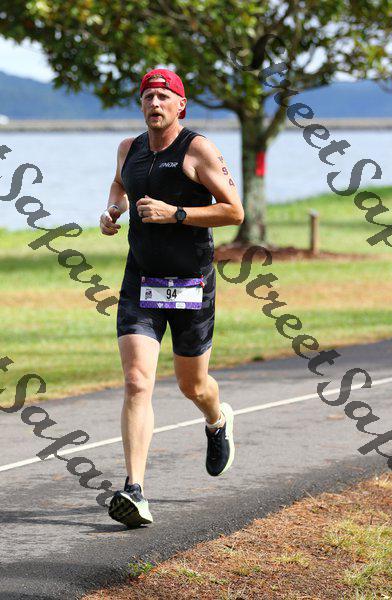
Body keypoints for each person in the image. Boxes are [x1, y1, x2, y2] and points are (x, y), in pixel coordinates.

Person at [100, 68, 244, 528]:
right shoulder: (129, 149)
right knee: (136, 381)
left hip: (190, 284)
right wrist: (114, 210)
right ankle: (134, 490)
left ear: (181, 105)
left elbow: (234, 212)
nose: (155, 104)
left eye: (164, 96)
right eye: (148, 97)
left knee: (192, 385)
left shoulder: (197, 149)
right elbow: (120, 184)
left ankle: (217, 419)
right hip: (140, 282)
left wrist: (176, 213)